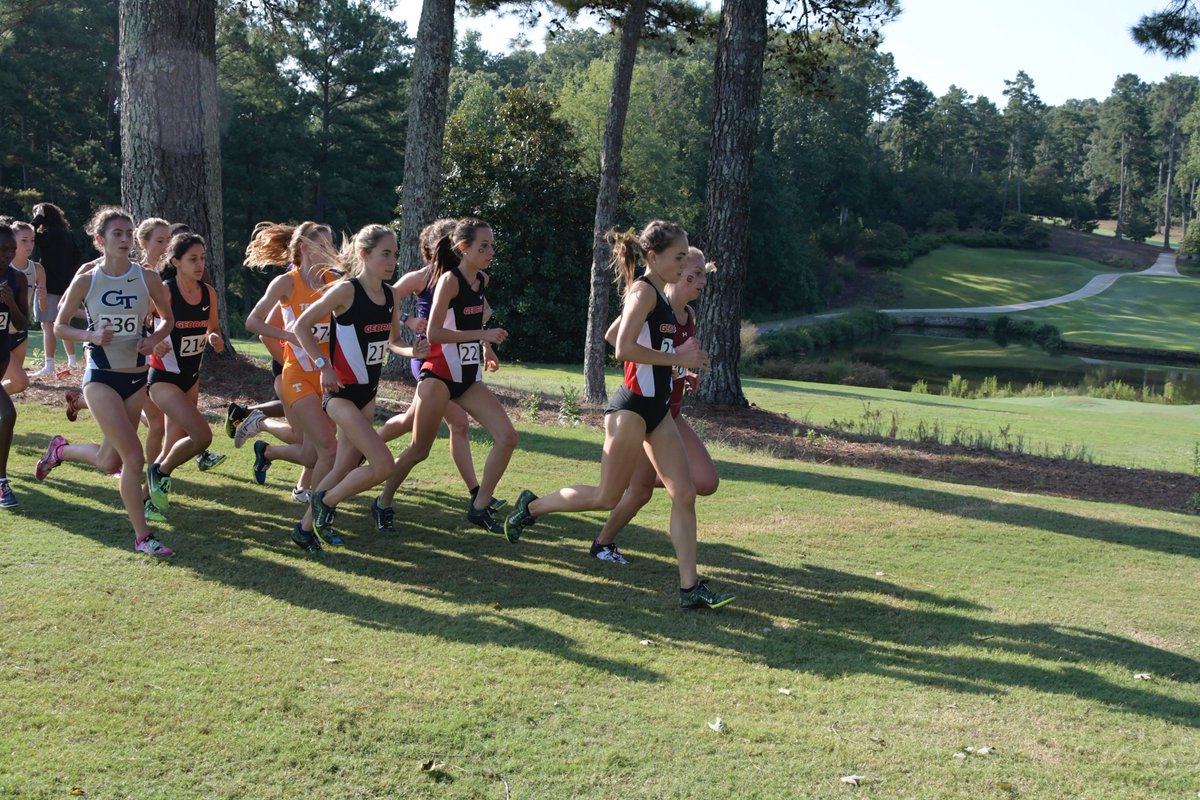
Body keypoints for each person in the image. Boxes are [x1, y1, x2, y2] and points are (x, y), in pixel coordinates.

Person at [503, 221, 734, 610]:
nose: (683, 263)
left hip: (658, 412)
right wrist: (679, 358)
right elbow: (622, 350)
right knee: (607, 496)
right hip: (628, 410)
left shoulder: (662, 294)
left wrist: (680, 368)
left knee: (686, 493)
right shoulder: (642, 292)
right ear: (654, 257)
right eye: (678, 257)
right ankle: (531, 506)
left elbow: (653, 354)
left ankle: (690, 587)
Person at [34, 206, 176, 556]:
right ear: (100, 240)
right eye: (117, 234)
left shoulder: (148, 279)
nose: (126, 239)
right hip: (100, 379)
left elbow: (167, 319)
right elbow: (60, 324)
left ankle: (60, 450)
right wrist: (91, 336)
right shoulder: (88, 278)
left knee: (110, 461)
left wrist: (154, 338)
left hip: (135, 378)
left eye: (129, 233)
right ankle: (143, 537)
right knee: (133, 457)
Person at [373, 217, 518, 536]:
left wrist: (485, 347)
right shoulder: (446, 281)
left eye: (491, 245)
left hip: (467, 377)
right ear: (463, 248)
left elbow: (474, 318)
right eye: (484, 246)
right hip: (437, 374)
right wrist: (482, 333)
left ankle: (479, 505)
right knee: (419, 449)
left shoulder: (482, 281)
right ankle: (383, 502)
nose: (491, 251)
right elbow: (436, 333)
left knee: (508, 437)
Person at [296, 224, 430, 547]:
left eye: (394, 255)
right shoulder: (346, 291)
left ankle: (303, 531)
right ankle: (325, 503)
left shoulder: (390, 295)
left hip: (367, 395)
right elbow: (301, 327)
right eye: (385, 254)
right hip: (339, 394)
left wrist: (412, 350)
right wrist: (322, 365)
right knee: (382, 464)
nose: (391, 261)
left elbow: (393, 340)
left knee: (343, 467)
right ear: (363, 255)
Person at [590, 248, 720, 565]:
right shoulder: (651, 302)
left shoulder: (688, 316)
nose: (702, 280)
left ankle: (603, 542)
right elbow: (613, 336)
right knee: (670, 488)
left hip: (670, 411)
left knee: (651, 490)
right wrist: (671, 359)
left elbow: (675, 357)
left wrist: (684, 374)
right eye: (696, 274)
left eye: (704, 273)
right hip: (646, 411)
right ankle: (603, 542)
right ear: (677, 274)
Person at [243, 221, 340, 551]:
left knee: (313, 454)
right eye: (324, 245)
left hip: (327, 376)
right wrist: (290, 335)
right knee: (329, 447)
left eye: (332, 244)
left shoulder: (334, 284)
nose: (331, 251)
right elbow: (253, 322)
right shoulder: (287, 282)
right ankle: (315, 518)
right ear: (304, 249)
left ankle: (266, 451)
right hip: (297, 376)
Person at [144, 233, 224, 516]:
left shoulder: (209, 293)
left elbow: (212, 328)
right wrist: (154, 336)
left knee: (172, 445)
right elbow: (141, 321)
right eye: (193, 259)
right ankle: (159, 471)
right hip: (164, 377)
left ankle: (149, 499)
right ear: (176, 261)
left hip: (191, 377)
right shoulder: (165, 291)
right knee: (202, 437)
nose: (200, 264)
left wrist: (214, 338)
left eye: (202, 258)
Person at [30, 202, 80, 377]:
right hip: (65, 285)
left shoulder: (50, 234)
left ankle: (49, 365)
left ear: (45, 216)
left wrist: (38, 217)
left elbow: (28, 233)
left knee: (47, 324)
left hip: (49, 284)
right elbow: (77, 256)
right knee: (64, 322)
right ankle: (72, 361)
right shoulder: (67, 234)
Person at [0, 223, 29, 508]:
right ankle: (2, 483)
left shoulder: (17, 279)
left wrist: (10, 304)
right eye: (3, 249)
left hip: (2, 355)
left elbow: (22, 324)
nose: (8, 254)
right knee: (7, 414)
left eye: (11, 249)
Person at [2, 221, 46, 395]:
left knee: (14, 383)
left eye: (32, 240)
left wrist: (42, 298)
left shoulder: (37, 269)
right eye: (24, 240)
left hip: (20, 333)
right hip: (2, 333)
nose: (30, 245)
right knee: (21, 381)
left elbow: (43, 308)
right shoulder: (5, 268)